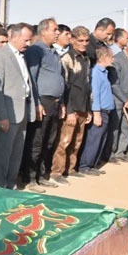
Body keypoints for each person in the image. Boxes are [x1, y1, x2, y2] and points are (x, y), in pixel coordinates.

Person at [0, 23, 39, 189]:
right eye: (26, 40)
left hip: (22, 111)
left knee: (16, 153)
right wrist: (2, 116)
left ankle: (10, 184)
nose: (28, 44)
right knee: (3, 154)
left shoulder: (22, 56)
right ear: (14, 37)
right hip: (7, 114)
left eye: (30, 40)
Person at [22, 18, 64, 192]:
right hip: (43, 101)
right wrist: (36, 103)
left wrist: (61, 102)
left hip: (55, 102)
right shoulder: (36, 50)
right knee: (37, 142)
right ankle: (30, 178)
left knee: (49, 141)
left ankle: (40, 174)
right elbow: (31, 78)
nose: (57, 33)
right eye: (54, 29)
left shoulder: (53, 51)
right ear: (43, 31)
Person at [50, 26, 92, 185]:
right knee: (64, 141)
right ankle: (56, 172)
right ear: (72, 40)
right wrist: (69, 110)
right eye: (80, 40)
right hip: (71, 107)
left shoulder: (86, 58)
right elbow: (65, 86)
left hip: (83, 106)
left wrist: (88, 109)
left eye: (86, 40)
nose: (84, 43)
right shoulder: (66, 59)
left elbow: (87, 85)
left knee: (77, 141)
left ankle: (71, 168)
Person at [78, 47, 116, 176]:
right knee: (94, 139)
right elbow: (95, 95)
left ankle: (93, 164)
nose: (113, 59)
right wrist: (96, 113)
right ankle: (85, 165)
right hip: (100, 111)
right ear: (104, 57)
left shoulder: (105, 72)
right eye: (111, 57)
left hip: (106, 111)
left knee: (101, 138)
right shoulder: (96, 73)